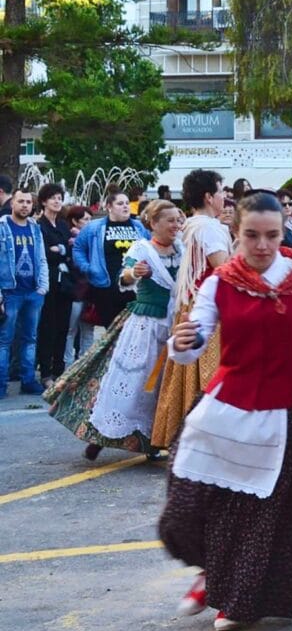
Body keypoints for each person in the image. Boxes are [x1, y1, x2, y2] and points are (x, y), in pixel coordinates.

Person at [158, 192, 292, 631]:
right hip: (223, 407)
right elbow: (194, 339)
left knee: (262, 517)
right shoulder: (221, 281)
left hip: (285, 412)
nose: (262, 245)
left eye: (272, 235)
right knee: (184, 503)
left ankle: (236, 600)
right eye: (252, 235)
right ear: (235, 234)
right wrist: (181, 346)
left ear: (284, 233)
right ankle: (211, 571)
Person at [47, 200, 183, 460]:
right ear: (153, 224)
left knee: (163, 386)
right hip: (145, 326)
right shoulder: (142, 247)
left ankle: (153, 440)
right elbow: (124, 277)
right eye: (171, 221)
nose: (176, 225)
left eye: (179, 220)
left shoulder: (182, 249)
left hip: (173, 325)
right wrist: (135, 273)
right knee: (132, 383)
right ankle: (101, 436)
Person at [149, 170, 234, 451]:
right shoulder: (210, 227)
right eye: (221, 191)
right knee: (210, 373)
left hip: (189, 302)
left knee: (185, 375)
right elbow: (224, 268)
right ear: (209, 197)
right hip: (209, 305)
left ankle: (181, 435)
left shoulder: (191, 225)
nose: (225, 197)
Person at [72, 191, 147, 334]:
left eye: (126, 203)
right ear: (109, 207)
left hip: (135, 287)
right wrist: (88, 267)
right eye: (120, 204)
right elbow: (78, 248)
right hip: (105, 287)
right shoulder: (94, 227)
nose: (125, 207)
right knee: (112, 332)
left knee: (134, 332)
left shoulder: (138, 227)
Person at [0, 190, 49, 398]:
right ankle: (1, 384)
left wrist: (42, 287)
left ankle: (28, 380)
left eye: (29, 202)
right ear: (12, 203)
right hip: (10, 292)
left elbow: (41, 258)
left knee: (30, 338)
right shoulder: (2, 228)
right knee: (5, 340)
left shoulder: (35, 228)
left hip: (33, 292)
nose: (25, 205)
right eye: (21, 201)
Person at [36, 184, 73, 386]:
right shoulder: (39, 226)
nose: (57, 201)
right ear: (44, 201)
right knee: (48, 327)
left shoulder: (63, 225)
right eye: (53, 198)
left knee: (63, 327)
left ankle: (60, 370)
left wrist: (59, 249)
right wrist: (61, 249)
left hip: (65, 284)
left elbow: (69, 250)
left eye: (59, 197)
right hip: (49, 282)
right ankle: (46, 372)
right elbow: (44, 253)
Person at [63, 206, 95, 368]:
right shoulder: (71, 241)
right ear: (75, 221)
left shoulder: (93, 240)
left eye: (91, 219)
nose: (89, 223)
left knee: (88, 330)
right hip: (76, 291)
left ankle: (85, 366)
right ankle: (68, 366)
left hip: (90, 291)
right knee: (71, 330)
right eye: (86, 220)